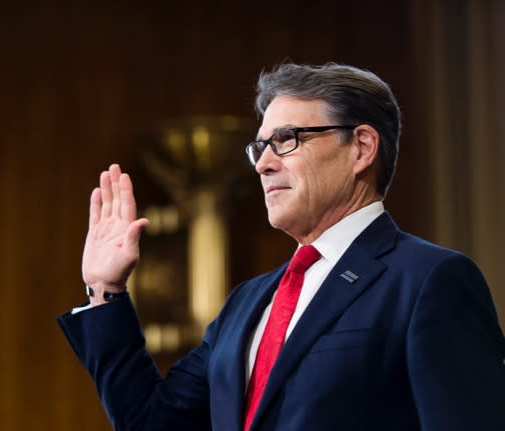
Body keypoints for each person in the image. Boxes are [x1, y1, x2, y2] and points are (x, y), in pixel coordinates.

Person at [58, 62, 505, 430]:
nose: (264, 164)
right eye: (260, 148)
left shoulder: (430, 280)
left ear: (362, 147)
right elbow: (153, 424)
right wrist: (106, 291)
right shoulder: (247, 302)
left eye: (286, 140)